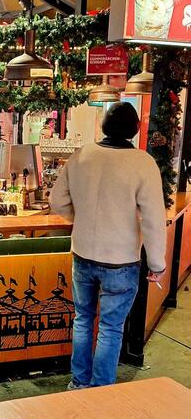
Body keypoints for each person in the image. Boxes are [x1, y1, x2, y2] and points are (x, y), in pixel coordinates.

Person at [50, 102, 166, 388]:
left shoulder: (82, 155)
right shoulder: (143, 163)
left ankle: (79, 384)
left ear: (103, 126)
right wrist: (156, 264)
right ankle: (100, 393)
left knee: (82, 319)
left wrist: (82, 217)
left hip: (83, 253)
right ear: (135, 129)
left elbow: (57, 201)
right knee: (110, 328)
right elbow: (153, 219)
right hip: (121, 260)